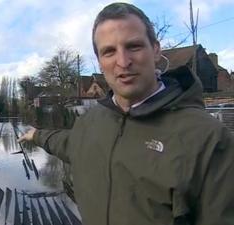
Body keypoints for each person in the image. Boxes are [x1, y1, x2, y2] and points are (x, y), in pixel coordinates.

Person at [18, 2, 234, 225]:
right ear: (100, 61)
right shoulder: (91, 122)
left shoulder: (209, 139)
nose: (123, 62)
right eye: (109, 51)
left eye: (134, 46)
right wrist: (36, 135)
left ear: (156, 50)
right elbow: (68, 143)